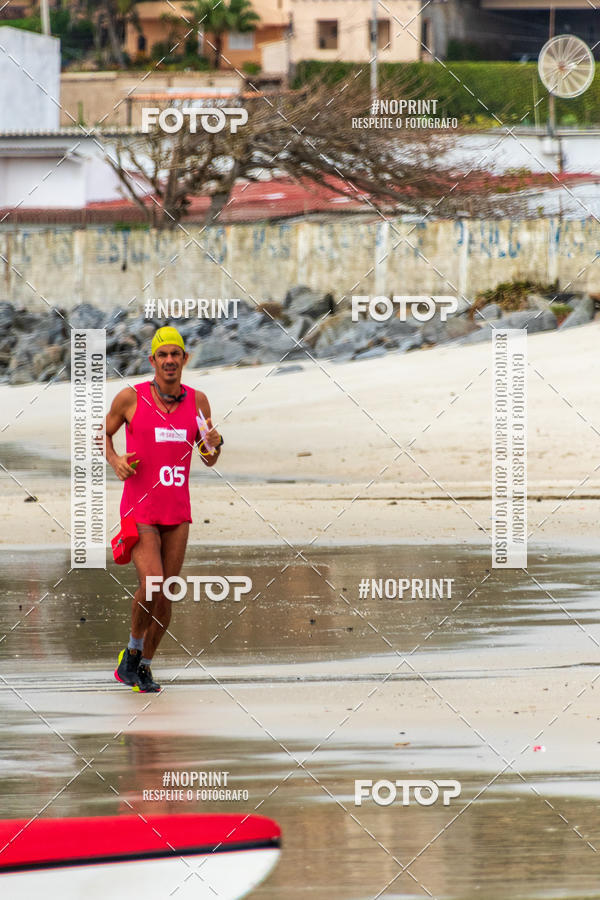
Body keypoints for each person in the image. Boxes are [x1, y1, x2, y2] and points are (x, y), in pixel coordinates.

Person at [105, 325, 223, 693]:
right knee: (152, 581)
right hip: (140, 508)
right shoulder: (130, 398)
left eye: (176, 354)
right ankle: (133, 653)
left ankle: (145, 668)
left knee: (166, 591)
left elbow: (207, 457)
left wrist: (215, 444)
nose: (169, 360)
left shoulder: (198, 401)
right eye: (162, 355)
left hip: (177, 511)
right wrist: (115, 459)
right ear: (152, 360)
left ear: (185, 359)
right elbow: (103, 433)